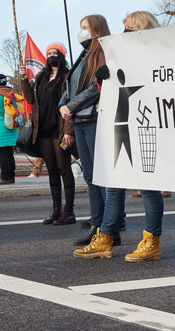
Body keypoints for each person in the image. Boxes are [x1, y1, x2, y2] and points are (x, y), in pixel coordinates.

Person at [74, 11, 165, 262]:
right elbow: (109, 94)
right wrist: (104, 80)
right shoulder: (117, 56)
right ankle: (105, 237)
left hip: (145, 125)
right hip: (119, 124)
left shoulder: (156, 57)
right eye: (123, 26)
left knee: (147, 186)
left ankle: (151, 240)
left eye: (130, 28)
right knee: (113, 184)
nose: (124, 32)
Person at [60, 14, 112, 246]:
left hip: (93, 119)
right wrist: (63, 104)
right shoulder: (83, 55)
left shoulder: (103, 54)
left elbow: (96, 88)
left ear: (97, 30)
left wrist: (71, 106)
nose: (81, 31)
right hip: (79, 121)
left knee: (101, 176)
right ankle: (97, 222)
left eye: (85, 27)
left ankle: (108, 225)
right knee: (90, 176)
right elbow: (71, 85)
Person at [20, 42, 77, 225]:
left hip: (59, 131)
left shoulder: (67, 77)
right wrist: (22, 79)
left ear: (61, 55)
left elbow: (71, 105)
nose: (52, 55)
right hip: (43, 130)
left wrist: (69, 131)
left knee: (64, 168)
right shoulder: (41, 76)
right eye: (49, 52)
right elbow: (30, 99)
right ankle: (56, 209)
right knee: (52, 170)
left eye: (55, 52)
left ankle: (69, 210)